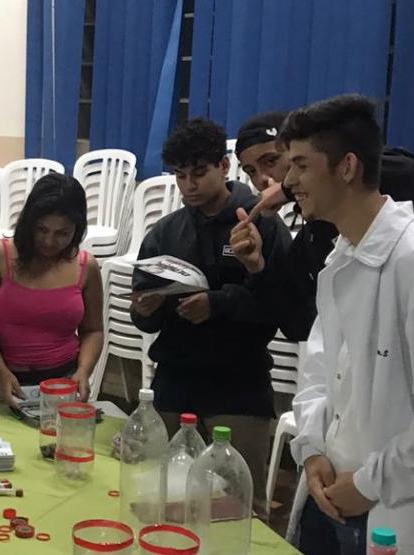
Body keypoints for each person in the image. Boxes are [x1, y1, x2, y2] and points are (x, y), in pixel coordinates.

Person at [242, 94, 414, 555]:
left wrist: (371, 482)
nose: (289, 182)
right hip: (329, 490)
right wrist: (312, 449)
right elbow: (319, 372)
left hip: (392, 503)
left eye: (301, 166)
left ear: (347, 167)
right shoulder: (341, 256)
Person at [129, 118, 292, 519]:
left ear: (223, 165)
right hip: (175, 379)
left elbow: (279, 307)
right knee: (159, 500)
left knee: (240, 509)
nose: (189, 185)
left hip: (239, 384)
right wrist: (145, 310)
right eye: (180, 175)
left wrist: (217, 304)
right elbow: (145, 314)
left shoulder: (262, 224)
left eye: (199, 173)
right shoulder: (165, 233)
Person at [0, 173, 104, 406]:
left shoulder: (86, 266)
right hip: (3, 377)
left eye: (62, 234)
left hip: (62, 380)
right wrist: (1, 372)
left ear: (77, 230)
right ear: (28, 222)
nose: (49, 241)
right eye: (41, 229)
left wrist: (83, 370)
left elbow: (93, 330)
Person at [233, 111, 339, 340]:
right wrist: (256, 266)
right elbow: (296, 326)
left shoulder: (356, 208)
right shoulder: (309, 237)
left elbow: (399, 170)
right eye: (251, 171)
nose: (262, 179)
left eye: (271, 161)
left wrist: (287, 190)